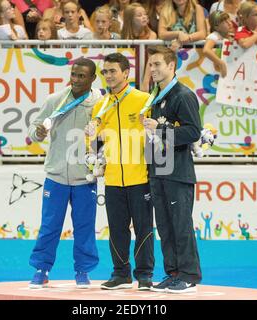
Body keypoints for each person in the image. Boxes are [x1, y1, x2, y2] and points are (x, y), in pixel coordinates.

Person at [28, 58, 102, 289]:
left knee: (84, 227)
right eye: (74, 74)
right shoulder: (55, 100)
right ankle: (42, 269)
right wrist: (38, 132)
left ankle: (82, 271)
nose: (76, 80)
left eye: (82, 76)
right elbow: (34, 128)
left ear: (92, 79)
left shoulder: (100, 102)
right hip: (56, 176)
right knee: (50, 226)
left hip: (85, 178)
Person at [85, 53, 154, 291]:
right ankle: (121, 274)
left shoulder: (144, 99)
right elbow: (92, 144)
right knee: (116, 228)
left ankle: (145, 275)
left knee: (144, 228)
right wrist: (93, 137)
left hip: (140, 176)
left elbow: (156, 137)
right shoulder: (100, 105)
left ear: (126, 73)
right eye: (105, 72)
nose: (108, 75)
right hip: (113, 178)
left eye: (113, 70)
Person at [143, 45, 202, 293]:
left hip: (177, 172)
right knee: (165, 227)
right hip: (158, 170)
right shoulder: (156, 97)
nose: (153, 69)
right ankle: (173, 273)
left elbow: (193, 131)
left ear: (171, 66)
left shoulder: (182, 95)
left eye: (157, 64)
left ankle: (188, 275)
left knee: (180, 225)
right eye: (150, 64)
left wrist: (160, 129)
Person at [203, 11, 234, 77]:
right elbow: (206, 50)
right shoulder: (214, 36)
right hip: (215, 73)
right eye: (225, 22)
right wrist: (220, 63)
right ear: (216, 27)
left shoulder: (232, 36)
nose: (229, 23)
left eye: (229, 20)